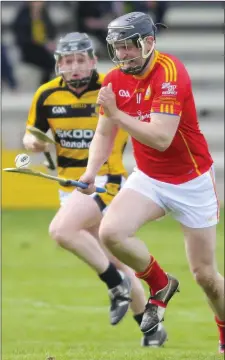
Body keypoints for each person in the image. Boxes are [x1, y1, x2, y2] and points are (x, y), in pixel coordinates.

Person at [78, 12, 225, 354]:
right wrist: (90, 172)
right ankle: (161, 284)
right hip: (150, 178)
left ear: (149, 42)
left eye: (130, 46)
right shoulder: (114, 80)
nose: (124, 54)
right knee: (110, 233)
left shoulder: (170, 72)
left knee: (205, 276)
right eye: (118, 48)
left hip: (192, 181)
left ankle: (223, 328)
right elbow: (104, 133)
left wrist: (117, 114)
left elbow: (160, 137)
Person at [23, 32, 168, 347]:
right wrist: (33, 142)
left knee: (61, 231)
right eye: (67, 61)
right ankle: (152, 329)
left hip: (106, 181)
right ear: (58, 64)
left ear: (92, 61)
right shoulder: (46, 95)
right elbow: (32, 133)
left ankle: (115, 287)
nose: (74, 67)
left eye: (80, 60)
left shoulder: (111, 88)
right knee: (117, 260)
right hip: (69, 188)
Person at [12, 1, 56, 85]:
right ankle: (44, 86)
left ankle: (44, 86)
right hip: (29, 48)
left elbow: (52, 31)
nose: (38, 3)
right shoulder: (23, 15)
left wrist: (49, 41)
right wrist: (38, 42)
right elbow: (21, 36)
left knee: (51, 62)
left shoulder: (44, 14)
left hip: (44, 47)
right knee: (49, 63)